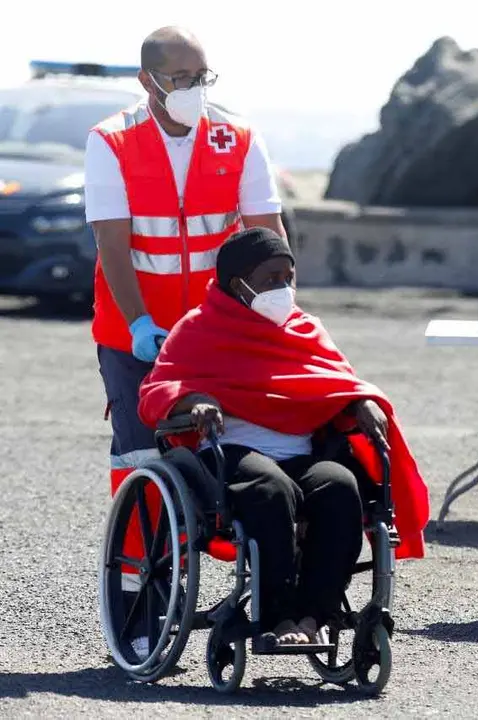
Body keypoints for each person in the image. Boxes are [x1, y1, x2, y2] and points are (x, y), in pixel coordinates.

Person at [86, 26, 288, 658]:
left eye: (204, 77)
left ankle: (256, 574)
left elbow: (267, 232)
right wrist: (142, 324)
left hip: (217, 330)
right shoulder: (111, 142)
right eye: (182, 80)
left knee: (237, 448)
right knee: (141, 459)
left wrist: (280, 308)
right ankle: (138, 607)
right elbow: (114, 245)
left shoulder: (238, 137)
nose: (196, 91)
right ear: (148, 82)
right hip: (134, 333)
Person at [138, 227, 429, 650]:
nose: (283, 288)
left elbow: (338, 382)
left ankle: (314, 614)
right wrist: (195, 401)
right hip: (231, 450)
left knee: (340, 486)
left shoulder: (305, 328)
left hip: (300, 450)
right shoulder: (198, 328)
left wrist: (361, 403)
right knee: (269, 489)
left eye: (288, 278)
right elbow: (156, 390)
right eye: (271, 278)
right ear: (238, 283)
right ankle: (277, 615)